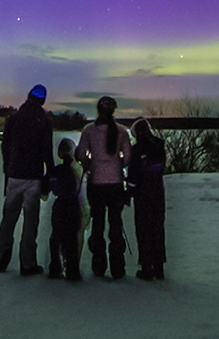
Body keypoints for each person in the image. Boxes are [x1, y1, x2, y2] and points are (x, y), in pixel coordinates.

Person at [0, 85, 54, 276]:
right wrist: (50, 174)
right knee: (31, 220)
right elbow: (47, 151)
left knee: (9, 217)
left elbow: (5, 145)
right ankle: (27, 263)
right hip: (33, 176)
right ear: (42, 101)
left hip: (14, 174)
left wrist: (8, 167)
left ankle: (1, 258)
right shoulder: (43, 121)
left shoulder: (14, 119)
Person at [74, 95, 131, 279]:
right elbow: (128, 157)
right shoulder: (122, 131)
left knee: (97, 224)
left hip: (96, 184)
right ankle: (117, 267)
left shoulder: (89, 131)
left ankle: (98, 265)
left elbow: (81, 154)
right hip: (115, 184)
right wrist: (117, 164)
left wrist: (90, 164)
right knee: (116, 224)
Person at [126, 118, 167, 280]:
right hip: (157, 192)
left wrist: (129, 191)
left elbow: (134, 176)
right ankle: (159, 266)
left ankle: (146, 266)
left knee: (143, 229)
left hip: (143, 194)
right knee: (157, 227)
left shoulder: (137, 150)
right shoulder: (159, 147)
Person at [45, 137, 84, 281]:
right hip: (72, 204)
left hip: (60, 205)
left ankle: (55, 267)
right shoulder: (77, 171)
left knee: (56, 236)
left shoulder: (56, 171)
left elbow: (45, 188)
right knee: (72, 237)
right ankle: (72, 269)